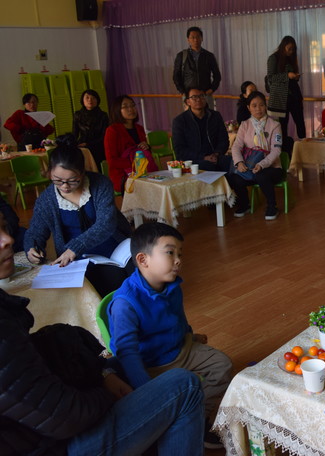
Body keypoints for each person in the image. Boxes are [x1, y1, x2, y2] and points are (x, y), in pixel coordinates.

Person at [0, 214, 205, 456]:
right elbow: (64, 418)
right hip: (55, 445)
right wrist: (106, 393)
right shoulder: (126, 302)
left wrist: (104, 373)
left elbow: (35, 376)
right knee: (185, 385)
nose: (8, 239)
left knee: (118, 367)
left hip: (48, 424)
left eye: (3, 227)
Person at [107, 222, 233, 449]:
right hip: (151, 364)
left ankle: (197, 418)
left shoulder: (172, 284)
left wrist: (190, 336)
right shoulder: (125, 303)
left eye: (179, 254)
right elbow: (127, 352)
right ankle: (181, 421)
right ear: (143, 260)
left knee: (222, 365)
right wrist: (149, 391)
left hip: (180, 349)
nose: (178, 260)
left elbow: (178, 316)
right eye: (170, 253)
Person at [24, 136, 133, 297]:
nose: (65, 186)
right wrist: (32, 247)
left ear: (82, 172)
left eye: (72, 180)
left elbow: (106, 223)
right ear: (50, 173)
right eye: (58, 180)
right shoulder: (47, 199)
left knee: (139, 270)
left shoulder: (100, 184)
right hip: (76, 256)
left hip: (112, 244)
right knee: (110, 280)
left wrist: (76, 246)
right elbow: (35, 231)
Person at [226, 91, 284, 220]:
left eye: (261, 105)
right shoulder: (245, 125)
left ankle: (272, 207)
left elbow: (276, 150)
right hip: (249, 166)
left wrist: (262, 164)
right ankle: (244, 204)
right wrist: (239, 162)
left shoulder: (275, 125)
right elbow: (236, 146)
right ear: (248, 108)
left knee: (261, 175)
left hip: (272, 168)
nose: (258, 109)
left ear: (266, 106)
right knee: (235, 177)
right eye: (254, 105)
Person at [104, 95, 158, 193]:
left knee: (159, 182)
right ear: (117, 110)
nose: (131, 109)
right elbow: (112, 160)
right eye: (125, 106)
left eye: (132, 105)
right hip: (122, 174)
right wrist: (135, 163)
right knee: (145, 186)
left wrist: (146, 147)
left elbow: (144, 153)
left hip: (143, 170)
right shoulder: (112, 130)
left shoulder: (139, 128)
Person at [172, 88, 230, 171]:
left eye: (201, 96)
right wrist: (204, 157)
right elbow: (179, 149)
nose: (198, 99)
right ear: (188, 102)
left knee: (232, 162)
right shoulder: (180, 121)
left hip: (215, 156)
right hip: (194, 160)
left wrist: (217, 154)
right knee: (208, 166)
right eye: (194, 97)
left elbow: (224, 140)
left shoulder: (215, 116)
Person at [266, 35, 306, 153]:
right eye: (289, 49)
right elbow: (271, 78)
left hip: (294, 95)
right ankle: (284, 153)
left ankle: (304, 149)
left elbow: (292, 78)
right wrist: (287, 75)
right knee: (282, 126)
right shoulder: (273, 58)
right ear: (283, 46)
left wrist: (296, 76)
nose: (291, 51)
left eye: (293, 49)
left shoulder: (291, 58)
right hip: (281, 98)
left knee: (300, 123)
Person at [173, 26, 221, 109]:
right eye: (192, 37)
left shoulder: (209, 56)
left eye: (198, 37)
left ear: (202, 38)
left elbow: (217, 75)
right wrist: (183, 92)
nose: (195, 40)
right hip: (189, 96)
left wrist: (212, 89)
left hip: (205, 94)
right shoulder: (182, 56)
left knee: (208, 116)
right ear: (188, 39)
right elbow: (176, 76)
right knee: (190, 117)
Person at [72, 89, 109, 167]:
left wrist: (89, 144)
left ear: (97, 100)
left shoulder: (103, 115)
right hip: (82, 145)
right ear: (82, 100)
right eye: (87, 97)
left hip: (98, 145)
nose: (90, 100)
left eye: (93, 98)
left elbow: (104, 136)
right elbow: (75, 133)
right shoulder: (77, 115)